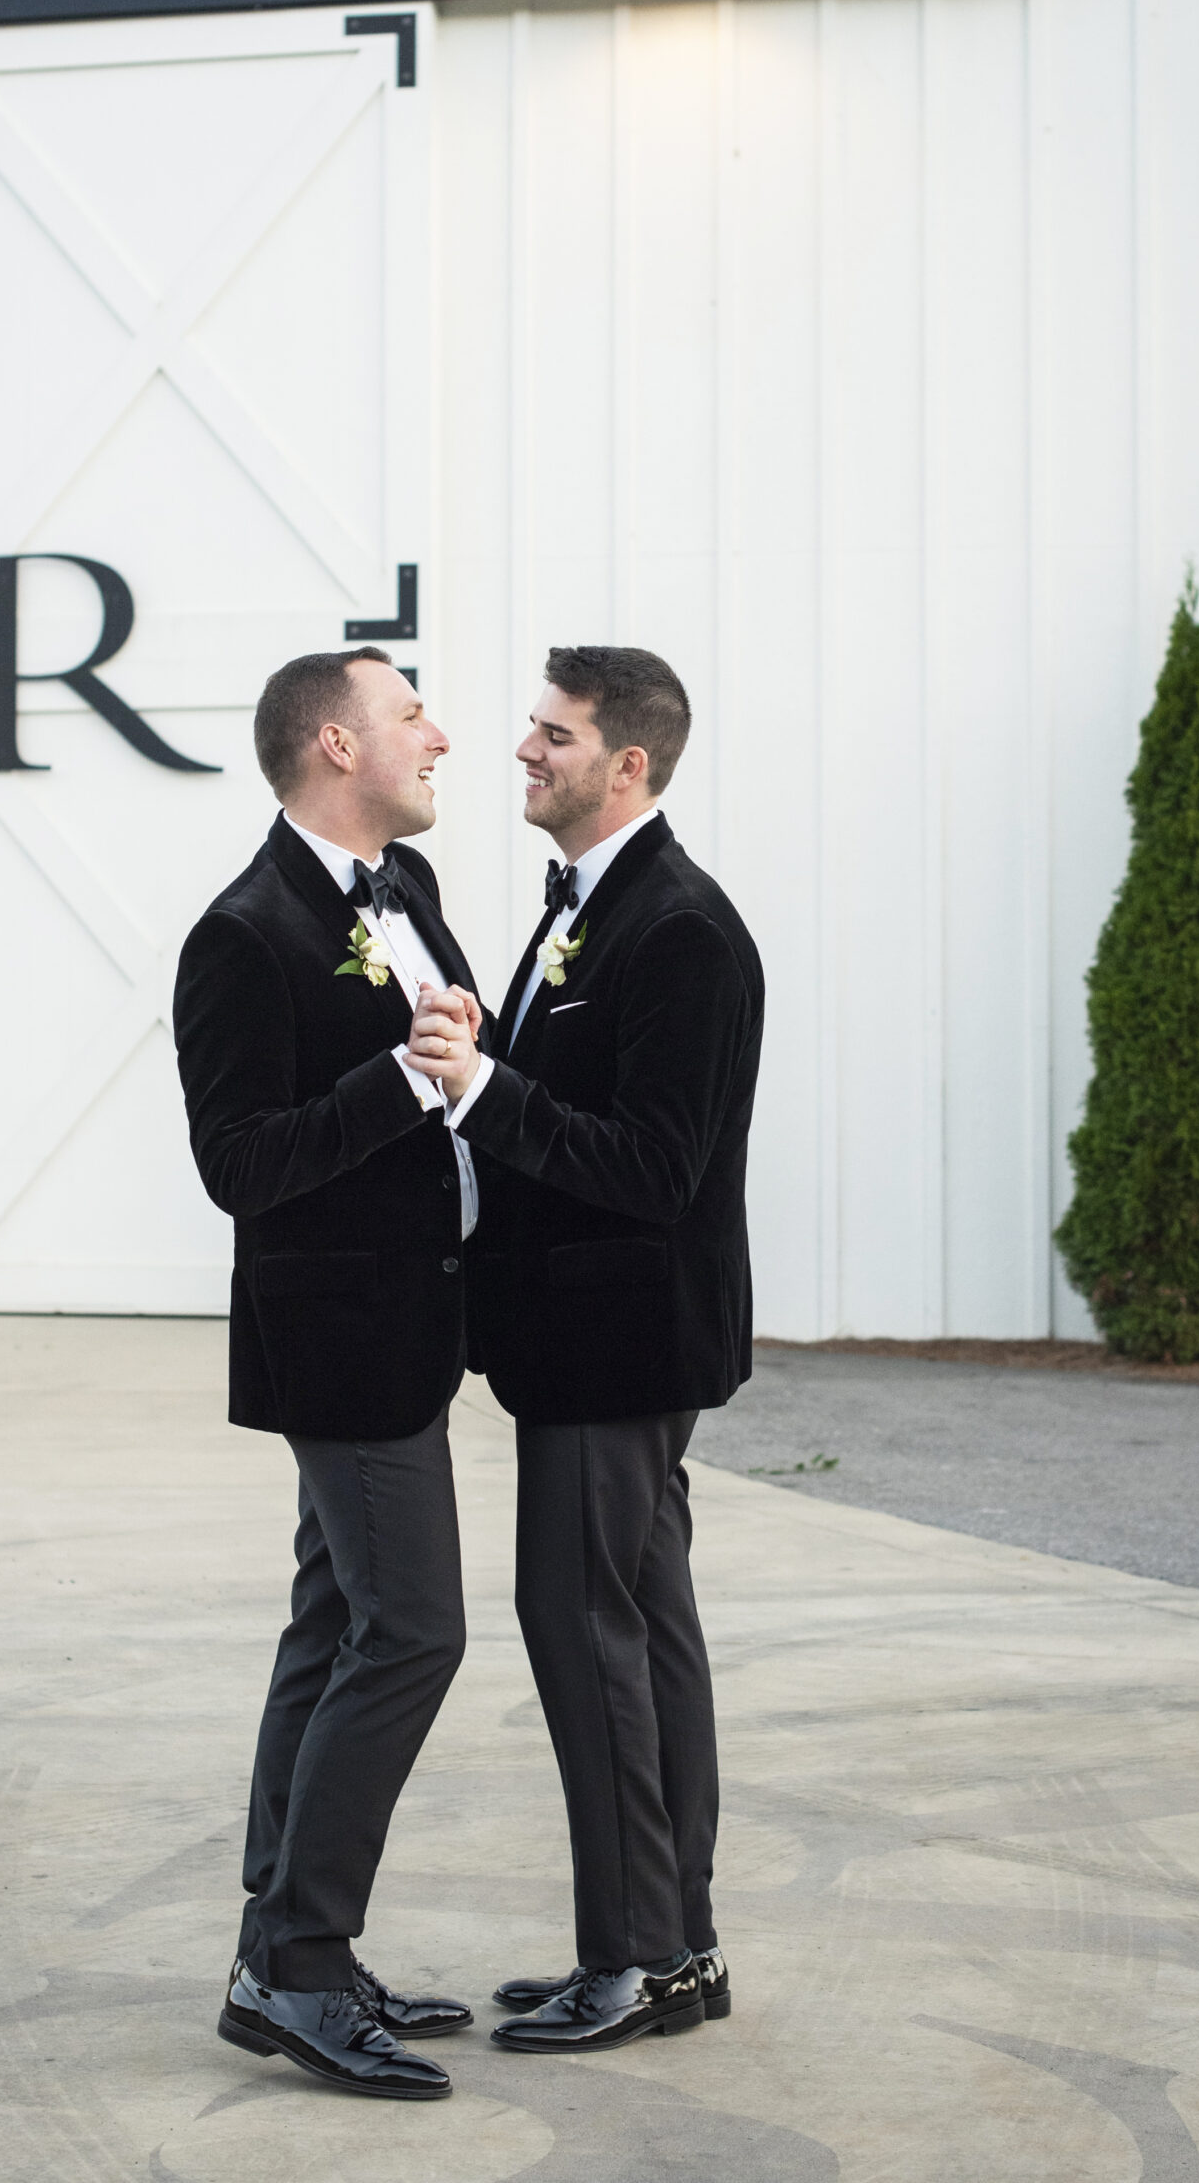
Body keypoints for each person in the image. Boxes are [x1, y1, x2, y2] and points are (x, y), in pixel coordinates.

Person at [405, 645, 764, 2054]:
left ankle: (638, 1959)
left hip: (622, 1346)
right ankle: (674, 1948)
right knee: (645, 1636)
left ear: (629, 765)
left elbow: (656, 1169)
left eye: (552, 735)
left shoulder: (679, 930)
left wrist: (485, 1089)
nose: (520, 752)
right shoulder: (587, 916)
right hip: (584, 1343)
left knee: (585, 1632)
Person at [174, 646, 486, 2102]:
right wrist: (398, 1080)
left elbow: (443, 1039)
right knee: (415, 1632)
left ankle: (275, 1956)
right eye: (409, 714)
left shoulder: (405, 894)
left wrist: (457, 1048)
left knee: (334, 1626)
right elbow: (241, 1168)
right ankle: (302, 1962)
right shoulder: (243, 935)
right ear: (331, 745)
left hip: (414, 1330)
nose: (439, 733)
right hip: (341, 1344)